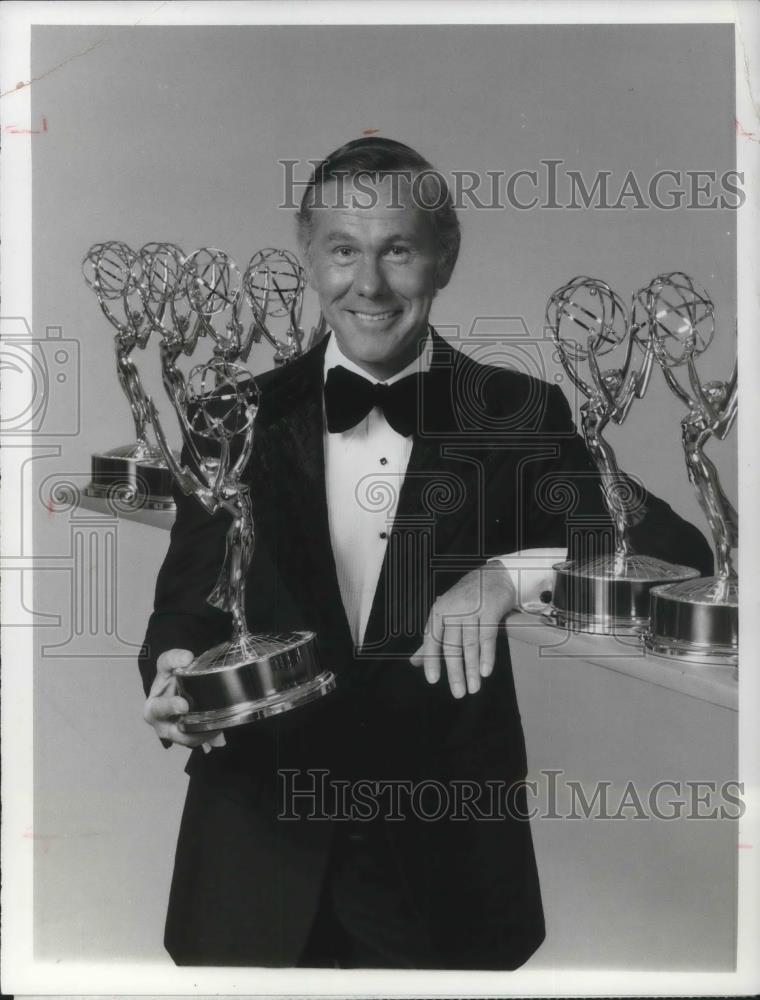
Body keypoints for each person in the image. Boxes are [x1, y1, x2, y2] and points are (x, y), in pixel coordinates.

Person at [139, 137, 713, 969]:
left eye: (397, 250)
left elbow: (677, 551)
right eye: (342, 250)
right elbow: (190, 596)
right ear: (308, 256)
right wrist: (174, 669)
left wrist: (510, 576)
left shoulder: (515, 413)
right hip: (255, 861)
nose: (367, 285)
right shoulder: (234, 416)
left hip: (445, 876)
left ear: (444, 258)